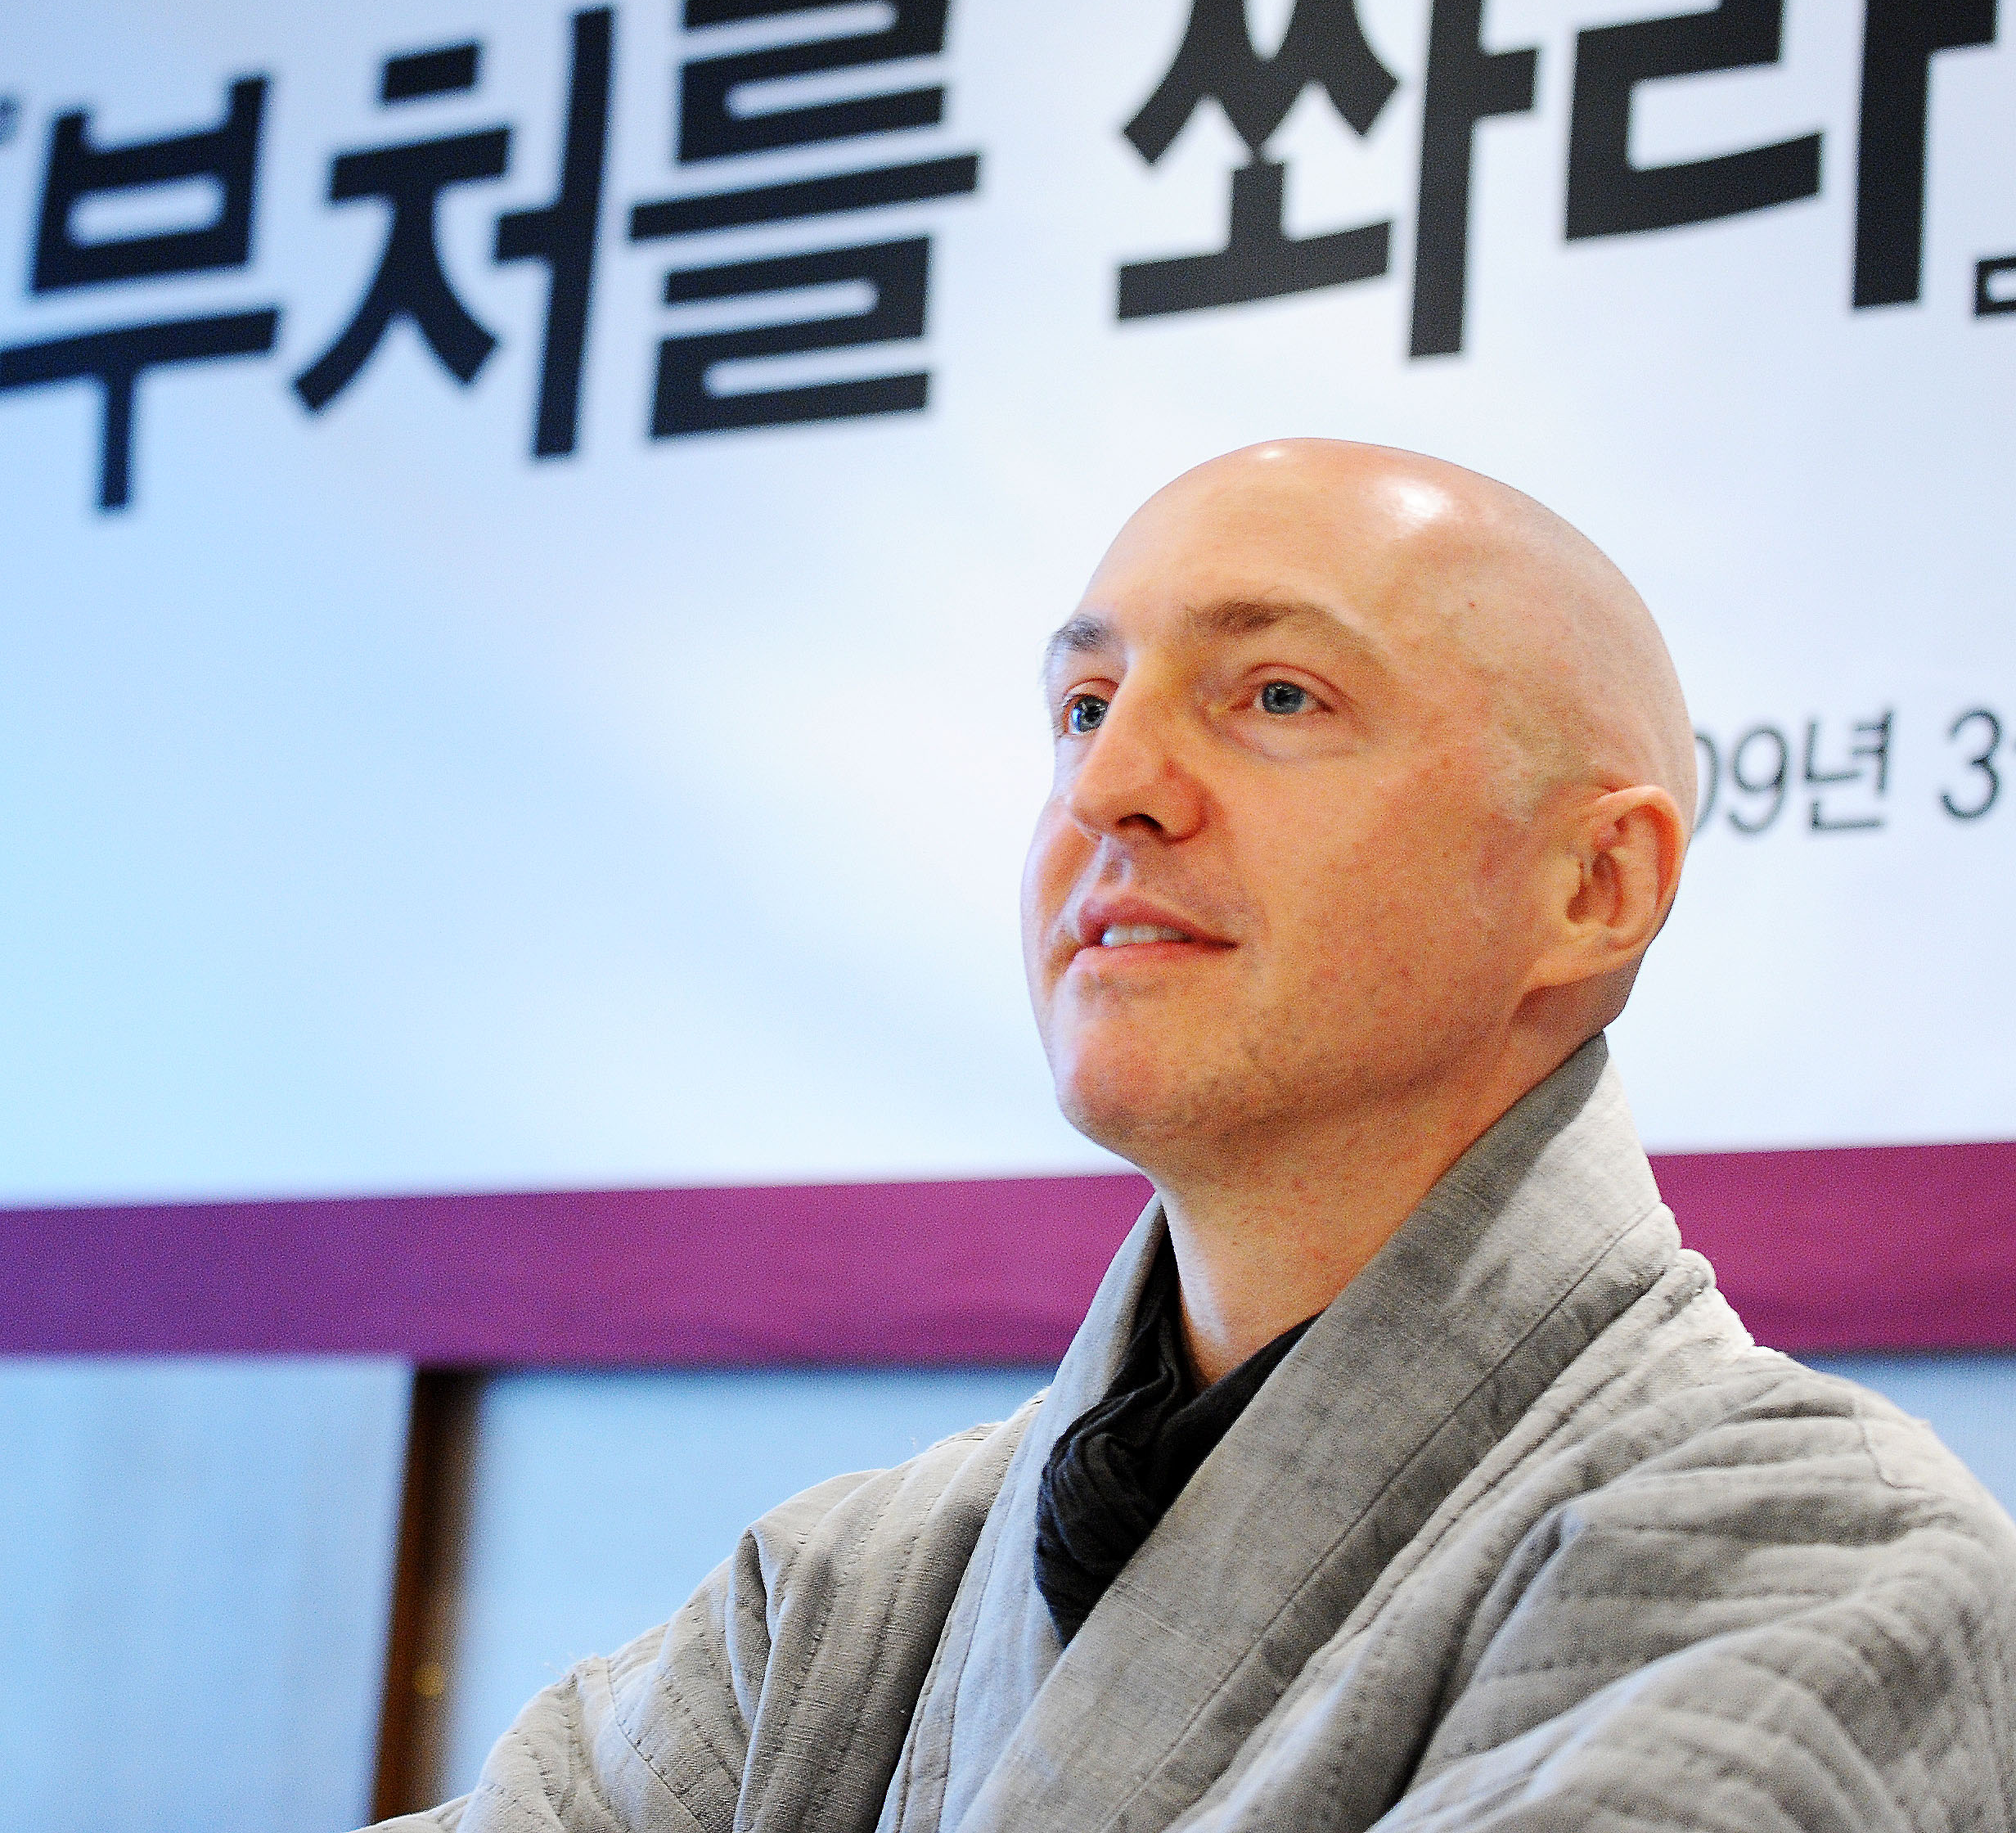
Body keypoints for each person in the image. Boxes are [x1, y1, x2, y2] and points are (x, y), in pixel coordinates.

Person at [375, 439, 2016, 1831]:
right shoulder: (844, 1604)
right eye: (1085, 705)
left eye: (1276, 694)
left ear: (1592, 884)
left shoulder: (1811, 1560)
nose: (1112, 786)